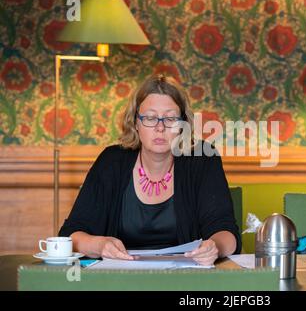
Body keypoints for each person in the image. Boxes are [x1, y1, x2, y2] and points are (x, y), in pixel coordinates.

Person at [59, 75, 241, 266]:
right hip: (119, 281)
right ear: (135, 123)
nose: (160, 127)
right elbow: (71, 234)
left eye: (170, 118)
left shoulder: (202, 159)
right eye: (150, 118)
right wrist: (99, 245)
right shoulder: (112, 161)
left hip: (186, 281)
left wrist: (215, 247)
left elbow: (228, 234)